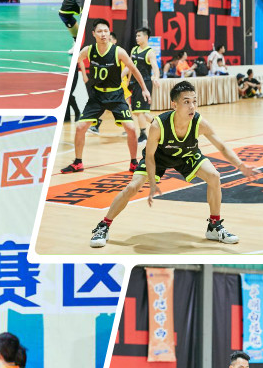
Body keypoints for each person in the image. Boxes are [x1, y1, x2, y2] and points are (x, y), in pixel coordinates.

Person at [89, 81, 251, 247]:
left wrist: (240, 165)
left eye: (194, 101)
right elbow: (150, 156)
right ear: (174, 104)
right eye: (186, 102)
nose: (192, 106)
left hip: (186, 155)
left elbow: (222, 147)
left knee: (214, 176)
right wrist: (152, 182)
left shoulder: (200, 122)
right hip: (158, 157)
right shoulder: (158, 125)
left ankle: (214, 226)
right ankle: (103, 226)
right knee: (132, 187)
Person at [62, 18, 151, 175]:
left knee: (131, 128)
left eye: (106, 31)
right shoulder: (89, 50)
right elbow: (77, 59)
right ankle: (78, 162)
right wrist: (82, 74)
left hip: (116, 95)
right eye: (100, 31)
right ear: (93, 34)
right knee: (80, 127)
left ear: (109, 33)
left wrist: (144, 89)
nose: (103, 34)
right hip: (97, 95)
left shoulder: (118, 51)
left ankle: (133, 162)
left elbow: (134, 69)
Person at [128, 27, 160, 143]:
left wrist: (156, 77)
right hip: (134, 83)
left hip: (145, 84)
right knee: (137, 111)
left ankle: (143, 135)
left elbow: (155, 67)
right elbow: (129, 66)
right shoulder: (134, 50)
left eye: (139, 36)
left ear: (146, 37)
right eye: (136, 36)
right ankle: (157, 124)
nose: (136, 38)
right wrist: (123, 78)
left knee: (140, 111)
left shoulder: (150, 52)